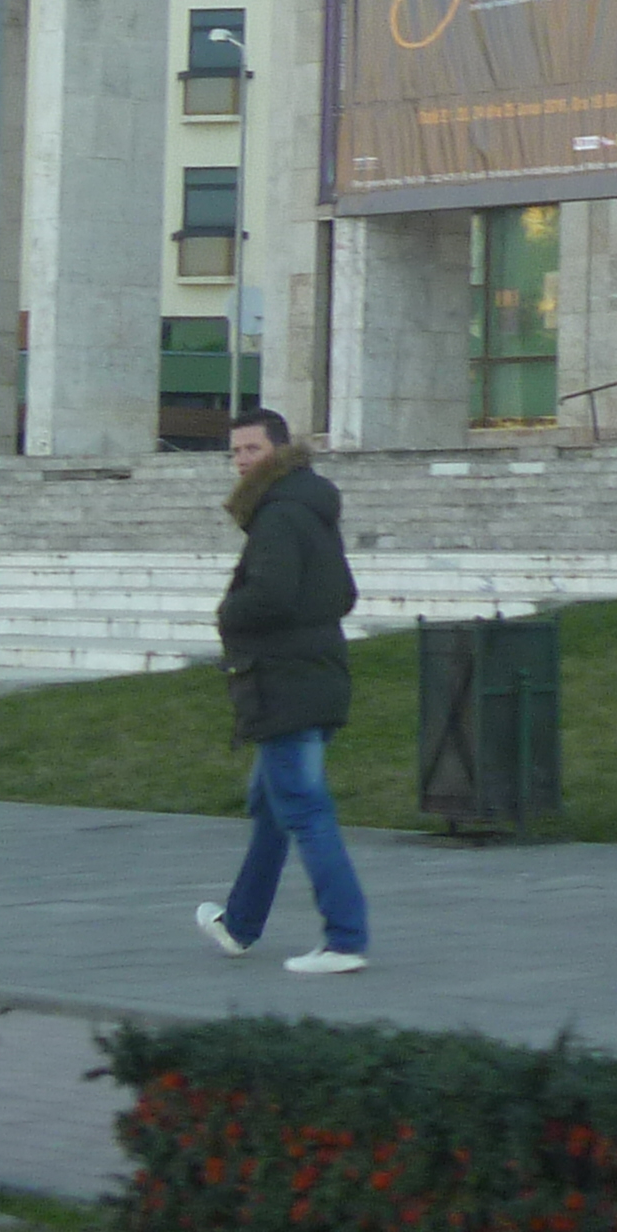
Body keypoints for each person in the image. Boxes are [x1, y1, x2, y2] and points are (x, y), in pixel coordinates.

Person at [194, 406, 369, 975]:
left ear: (279, 450)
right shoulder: (308, 507)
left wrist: (228, 614)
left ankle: (345, 938)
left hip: (285, 684)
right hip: (315, 674)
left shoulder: (279, 514)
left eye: (253, 449)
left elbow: (270, 595)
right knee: (271, 804)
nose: (242, 461)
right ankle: (240, 925)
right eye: (236, 452)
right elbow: (342, 593)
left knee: (304, 807)